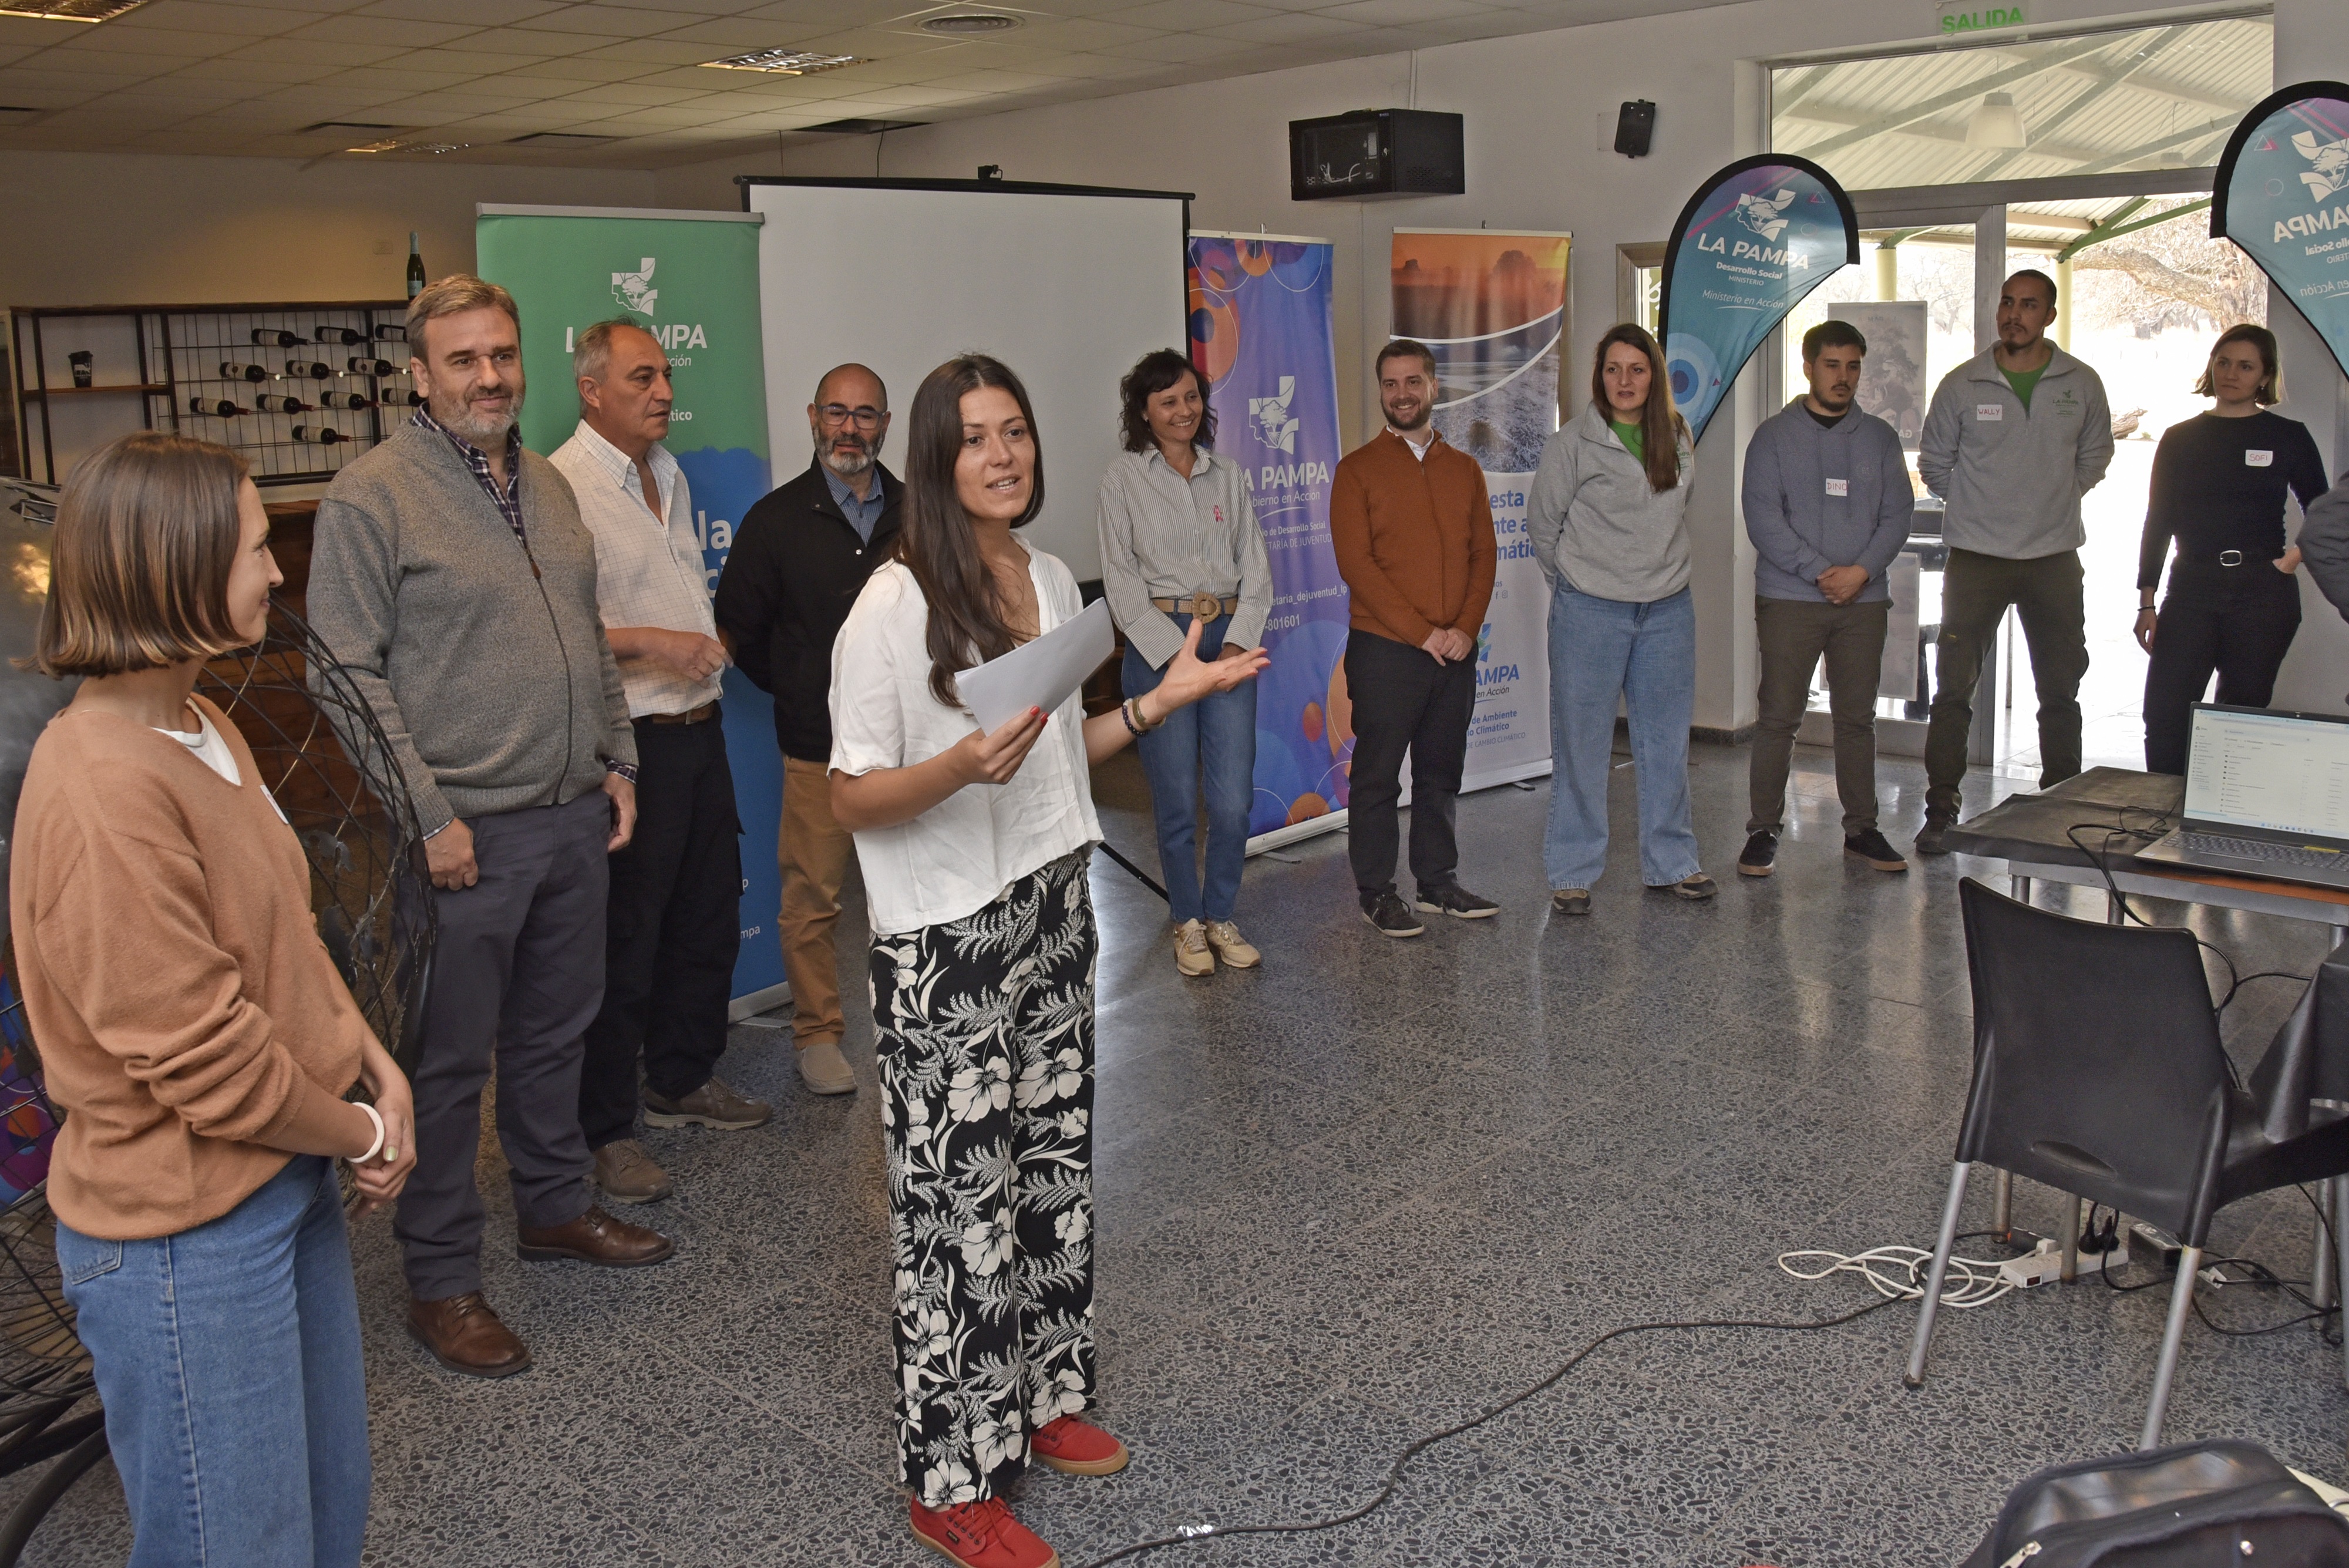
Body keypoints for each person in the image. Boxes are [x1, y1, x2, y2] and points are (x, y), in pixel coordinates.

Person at [827, 354, 1264, 1568]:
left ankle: (1042, 1401)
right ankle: (949, 1478)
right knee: (955, 1213)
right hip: (946, 939)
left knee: (1050, 1176)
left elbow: (1061, 748)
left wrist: (1161, 702)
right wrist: (954, 770)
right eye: (973, 439)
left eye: (1014, 431)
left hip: (1049, 905)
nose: (1002, 456)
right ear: (934, 459)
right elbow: (853, 794)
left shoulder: (1042, 573)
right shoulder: (893, 601)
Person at [11, 432, 417, 1566]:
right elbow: (205, 1061)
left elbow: (285, 939)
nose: (278, 571)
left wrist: (373, 1064)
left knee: (322, 1516)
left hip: (281, 1178)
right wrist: (364, 1130)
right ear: (174, 565)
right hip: (183, 1238)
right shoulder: (100, 789)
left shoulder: (202, 724)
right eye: (251, 548)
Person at [308, 275, 673, 1382]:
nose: (489, 377)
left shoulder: (550, 488)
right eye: (463, 360)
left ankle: (555, 1207)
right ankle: (440, 1278)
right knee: (452, 1063)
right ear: (419, 376)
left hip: (573, 818)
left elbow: (581, 632)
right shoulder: (372, 497)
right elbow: (344, 674)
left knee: (558, 1034)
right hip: (464, 834)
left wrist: (619, 757)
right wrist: (426, 816)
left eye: (502, 355)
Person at [551, 319, 769, 1209]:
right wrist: (655, 643)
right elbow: (560, 629)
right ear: (591, 390)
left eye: (667, 374)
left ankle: (681, 1076)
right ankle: (605, 1130)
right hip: (630, 745)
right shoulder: (561, 487)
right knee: (625, 941)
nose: (665, 392)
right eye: (643, 377)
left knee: (708, 916)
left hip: (701, 728)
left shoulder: (668, 475)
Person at [716, 363, 902, 1096]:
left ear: (884, 425)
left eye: (864, 415)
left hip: (907, 752)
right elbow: (741, 631)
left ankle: (916, 1020)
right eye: (836, 412)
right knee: (811, 902)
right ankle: (819, 1034)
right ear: (812, 417)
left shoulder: (920, 513)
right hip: (818, 752)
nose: (849, 428)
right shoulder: (776, 521)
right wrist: (801, 688)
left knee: (911, 894)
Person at [1916, 269, 2113, 853]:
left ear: (2049, 315)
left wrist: (2046, 502)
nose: (2013, 315)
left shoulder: (2081, 383)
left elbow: (2094, 457)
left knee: (2059, 690)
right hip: (1975, 559)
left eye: (2028, 305)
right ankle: (1940, 809)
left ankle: (2061, 807)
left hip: (2052, 559)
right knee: (1952, 692)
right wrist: (1985, 507)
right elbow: (1934, 464)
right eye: (2006, 303)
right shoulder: (1962, 384)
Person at [1096, 348, 1274, 976]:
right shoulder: (1123, 478)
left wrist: (1232, 644)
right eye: (1167, 401)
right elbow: (1119, 581)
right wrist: (1177, 657)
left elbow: (1257, 571)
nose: (1183, 411)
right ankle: (1187, 922)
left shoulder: (1228, 475)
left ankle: (1221, 913)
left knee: (1230, 801)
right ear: (1142, 412)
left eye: (1192, 397)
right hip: (1160, 642)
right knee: (1174, 801)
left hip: (1227, 640)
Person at [1527, 322, 1714, 914]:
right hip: (1590, 612)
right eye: (1613, 369)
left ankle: (1672, 863)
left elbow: (1678, 511)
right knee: (1582, 744)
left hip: (1667, 609)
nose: (1624, 381)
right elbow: (1543, 526)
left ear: (1654, 376)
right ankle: (1573, 870)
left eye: (1636, 369)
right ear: (1598, 376)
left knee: (1664, 742)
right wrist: (1582, 585)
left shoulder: (1677, 435)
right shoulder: (1572, 445)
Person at [1330, 338, 1500, 938]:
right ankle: (1376, 891)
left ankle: (1437, 883)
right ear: (1381, 392)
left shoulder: (1465, 469)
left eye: (1412, 382)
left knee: (1439, 771)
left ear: (1433, 388)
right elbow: (1358, 566)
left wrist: (1464, 631)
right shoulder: (1356, 471)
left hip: (1454, 652)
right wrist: (1423, 633)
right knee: (1377, 776)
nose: (1401, 394)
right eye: (1390, 384)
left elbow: (1484, 556)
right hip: (1385, 651)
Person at [1737, 319, 1915, 877]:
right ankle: (1763, 830)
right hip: (1790, 598)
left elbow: (1898, 516)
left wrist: (1860, 572)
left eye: (1853, 366)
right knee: (1779, 717)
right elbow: (1763, 519)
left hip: (1862, 602)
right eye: (1833, 365)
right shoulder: (1772, 437)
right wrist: (1822, 573)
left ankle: (1862, 829)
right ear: (1809, 366)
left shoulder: (1881, 439)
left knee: (1856, 720)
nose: (1844, 378)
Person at [2134, 323, 2329, 773]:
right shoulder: (2181, 437)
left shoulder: (2287, 436)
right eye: (2223, 362)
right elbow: (2158, 520)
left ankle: (2216, 829)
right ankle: (2155, 823)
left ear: (2264, 376)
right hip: (2191, 587)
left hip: (2262, 592)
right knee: (2164, 717)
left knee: (2237, 721)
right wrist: (2147, 600)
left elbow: (2326, 510)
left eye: (2246, 366)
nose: (2232, 374)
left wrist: (2289, 563)